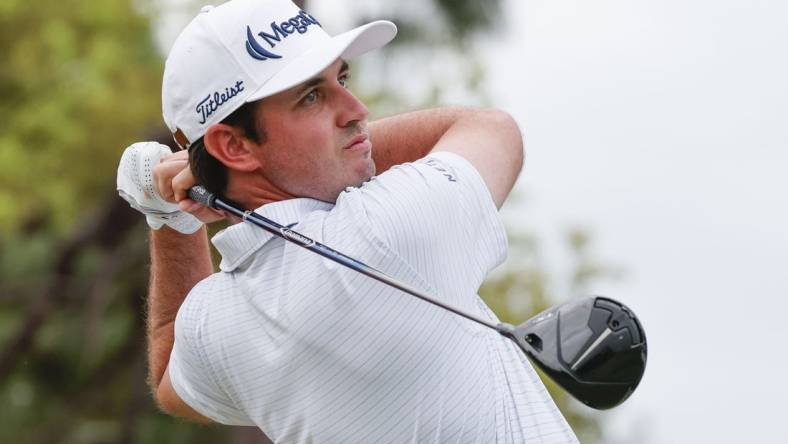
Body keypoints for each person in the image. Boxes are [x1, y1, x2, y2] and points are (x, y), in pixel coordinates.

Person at [116, 0, 580, 442]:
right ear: (234, 146)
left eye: (343, 78)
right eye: (313, 97)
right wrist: (211, 176)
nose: (357, 110)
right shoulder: (385, 232)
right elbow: (493, 128)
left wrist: (167, 214)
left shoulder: (220, 323)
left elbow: (169, 376)